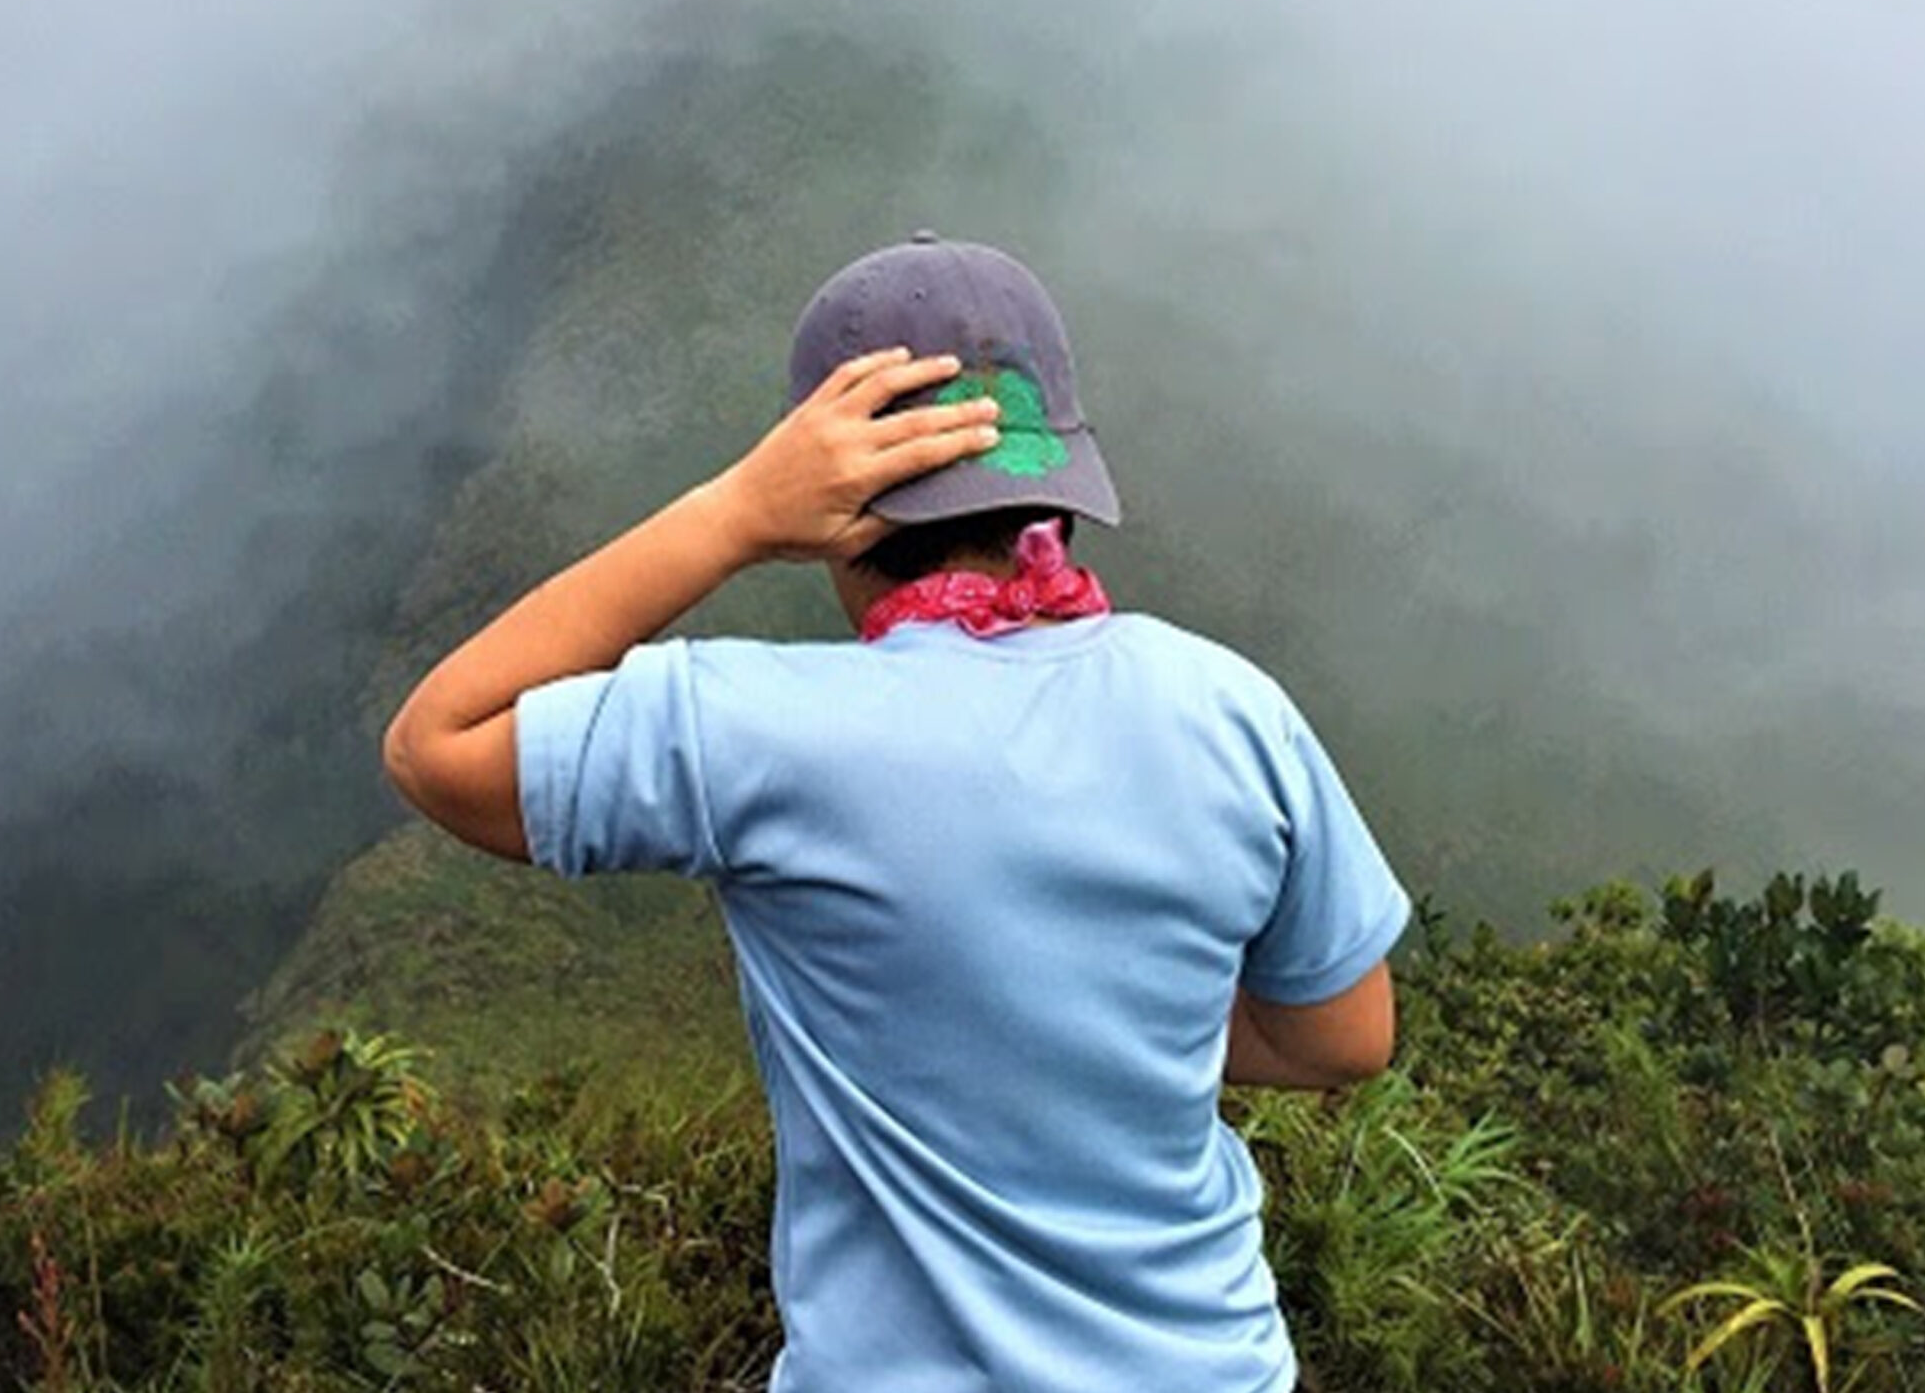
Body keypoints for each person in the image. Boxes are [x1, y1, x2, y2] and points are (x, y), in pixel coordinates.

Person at [384, 234, 1409, 1393]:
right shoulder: (1230, 709)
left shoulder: (755, 732)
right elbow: (1346, 1038)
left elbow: (437, 748)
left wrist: (732, 514)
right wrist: (1112, 1019)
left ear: (834, 511)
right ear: (1060, 489)